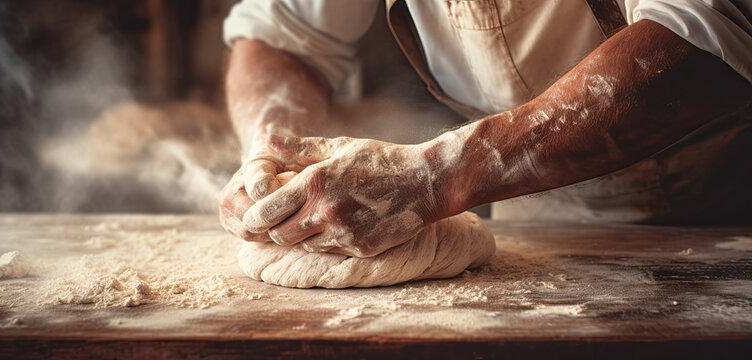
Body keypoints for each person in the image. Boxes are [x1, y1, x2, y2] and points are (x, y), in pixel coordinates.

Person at [218, 0, 752, 258]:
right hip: (531, 206)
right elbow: (283, 35)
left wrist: (438, 176)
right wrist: (270, 148)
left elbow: (701, 34)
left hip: (720, 200)